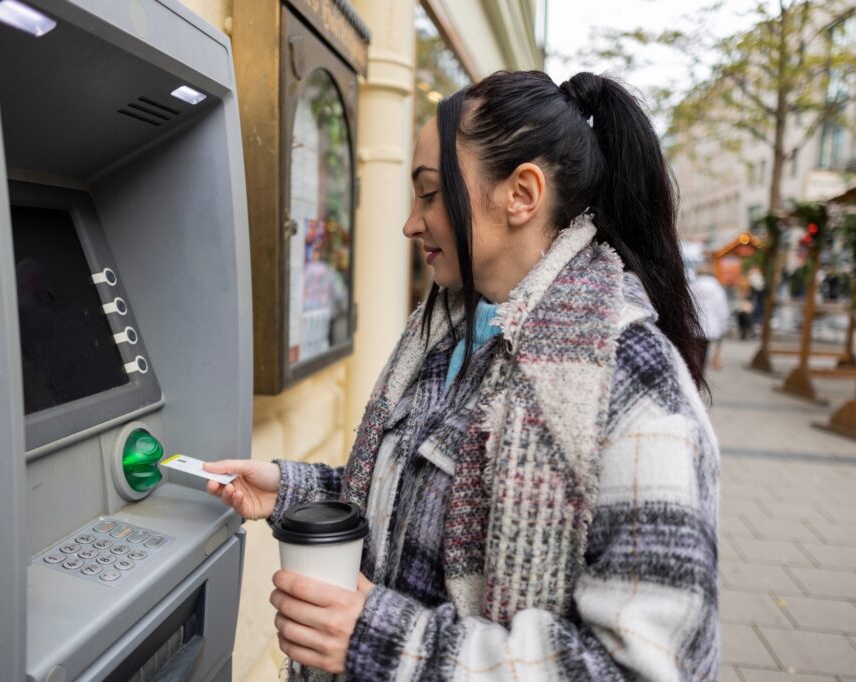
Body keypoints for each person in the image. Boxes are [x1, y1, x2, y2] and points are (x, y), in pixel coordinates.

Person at [205, 71, 719, 681]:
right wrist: (293, 489)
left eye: (429, 193)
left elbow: (643, 669)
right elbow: (416, 498)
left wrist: (385, 642)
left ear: (521, 194)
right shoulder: (450, 328)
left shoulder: (629, 380)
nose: (410, 223)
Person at [691, 264, 731, 370]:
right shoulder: (717, 288)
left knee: (694, 352)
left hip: (694, 325)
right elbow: (722, 309)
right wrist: (724, 326)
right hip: (711, 325)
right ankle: (700, 372)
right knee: (704, 351)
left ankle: (694, 372)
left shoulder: (692, 286)